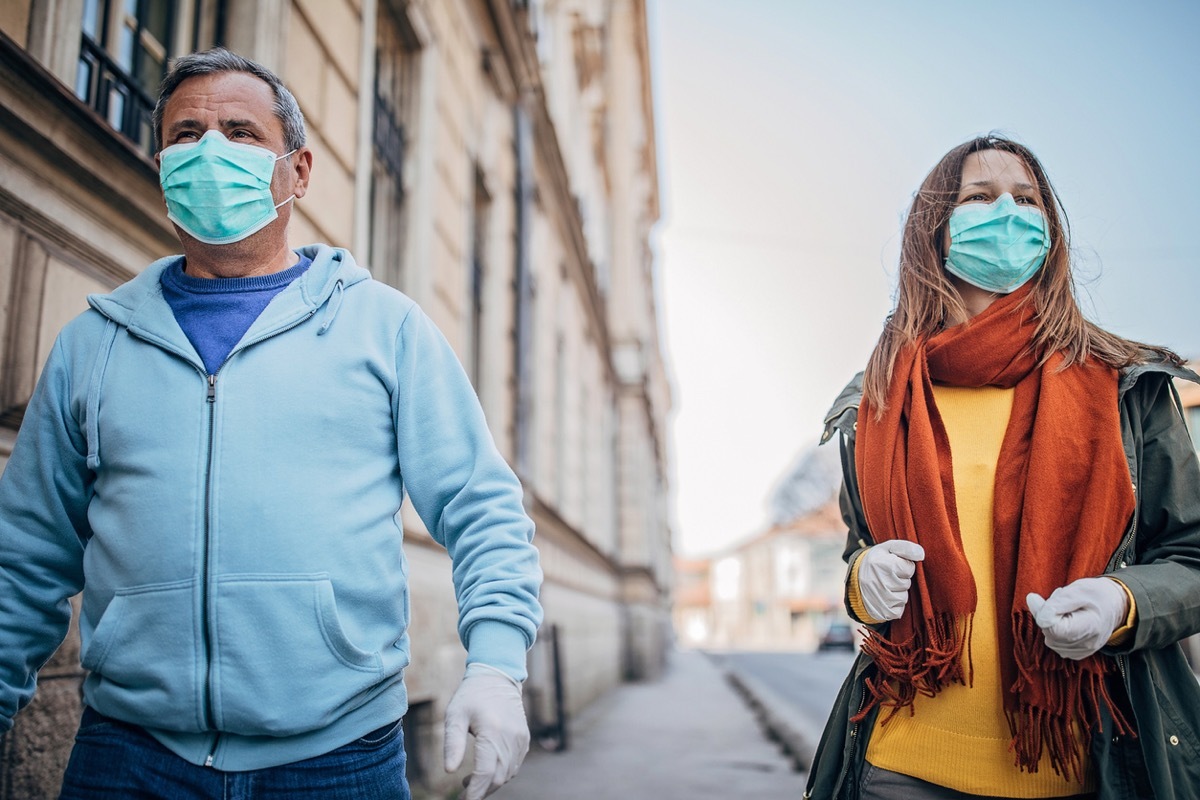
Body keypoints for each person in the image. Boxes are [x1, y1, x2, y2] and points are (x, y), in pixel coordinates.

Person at [0, 48, 542, 800]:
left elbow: (481, 506)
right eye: (185, 136)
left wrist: (496, 665)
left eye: (239, 131)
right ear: (161, 166)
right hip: (128, 758)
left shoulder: (385, 329)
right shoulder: (94, 345)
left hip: (339, 759)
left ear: (300, 170)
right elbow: (25, 554)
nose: (209, 152)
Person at [805, 135, 1200, 800]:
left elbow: (1190, 554)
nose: (1009, 215)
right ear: (934, 228)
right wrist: (859, 583)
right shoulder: (878, 397)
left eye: (1028, 200)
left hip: (1087, 770)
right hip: (901, 768)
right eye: (980, 198)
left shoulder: (1124, 388)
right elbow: (860, 556)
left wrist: (1121, 602)